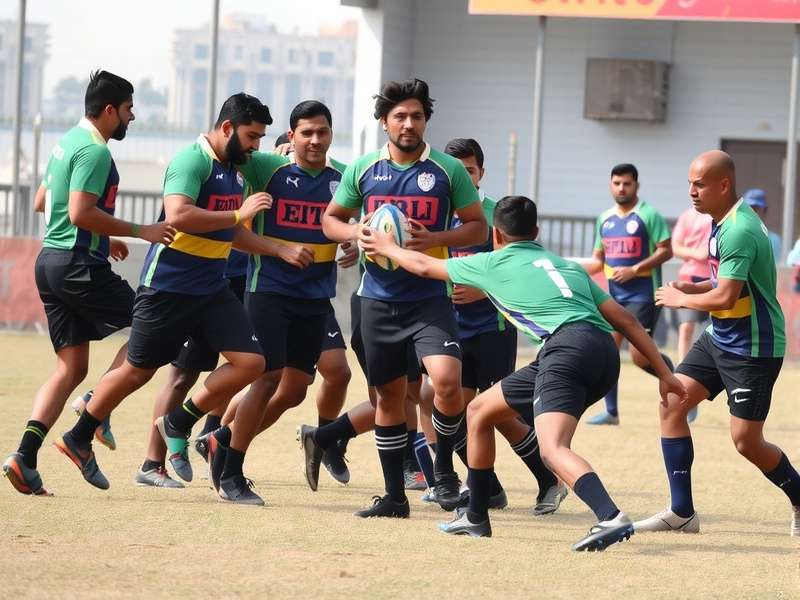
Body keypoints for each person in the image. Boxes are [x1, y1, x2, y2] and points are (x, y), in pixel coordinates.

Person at [359, 195, 685, 551]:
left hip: (565, 350)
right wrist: (665, 373)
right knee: (479, 411)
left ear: (496, 234)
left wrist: (388, 246)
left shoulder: (491, 262)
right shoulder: (568, 267)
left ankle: (609, 516)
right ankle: (476, 517)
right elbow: (625, 319)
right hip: (601, 351)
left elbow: (422, 267)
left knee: (553, 448)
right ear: (537, 231)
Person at [53, 93, 282, 493]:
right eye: (251, 136)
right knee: (137, 371)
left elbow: (231, 232)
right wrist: (237, 214)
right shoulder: (190, 160)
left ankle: (179, 421)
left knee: (252, 363)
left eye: (261, 138)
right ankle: (78, 435)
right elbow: (178, 214)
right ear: (227, 128)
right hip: (168, 288)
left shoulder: (235, 167)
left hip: (212, 289)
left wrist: (279, 248)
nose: (256, 146)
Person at [302, 78, 488, 518]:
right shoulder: (363, 169)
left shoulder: (448, 170)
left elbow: (478, 227)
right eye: (400, 116)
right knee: (388, 398)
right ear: (384, 122)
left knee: (444, 381)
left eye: (417, 116)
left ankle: (443, 471)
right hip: (377, 300)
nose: (409, 124)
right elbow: (331, 220)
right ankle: (393, 497)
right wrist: (355, 232)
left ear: (426, 120)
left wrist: (436, 237)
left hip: (429, 297)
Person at [2, 70, 175, 496]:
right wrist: (139, 230)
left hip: (50, 262)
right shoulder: (96, 152)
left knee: (71, 366)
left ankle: (24, 456)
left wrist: (103, 235)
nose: (132, 118)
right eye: (130, 109)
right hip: (77, 264)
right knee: (154, 329)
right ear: (111, 109)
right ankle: (94, 408)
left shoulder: (66, 143)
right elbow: (79, 213)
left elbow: (46, 202)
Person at [635, 151, 800, 537]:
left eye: (700, 184)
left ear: (723, 185)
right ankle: (682, 513)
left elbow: (726, 297)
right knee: (672, 404)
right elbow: (724, 282)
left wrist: (683, 299)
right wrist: (693, 287)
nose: (691, 192)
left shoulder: (740, 228)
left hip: (753, 348)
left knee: (746, 442)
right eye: (690, 183)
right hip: (719, 338)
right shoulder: (720, 221)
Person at [205, 100, 354, 505]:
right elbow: (224, 156)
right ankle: (232, 472)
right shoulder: (265, 167)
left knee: (297, 388)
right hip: (268, 291)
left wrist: (352, 244)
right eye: (306, 132)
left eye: (322, 132)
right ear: (291, 137)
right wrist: (279, 249)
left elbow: (344, 224)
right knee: (266, 379)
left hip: (315, 298)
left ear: (330, 134)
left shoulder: (342, 178)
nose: (315, 140)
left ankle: (219, 438)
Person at [441, 137, 564, 514]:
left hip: (492, 328)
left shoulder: (496, 215)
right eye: (456, 172)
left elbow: (513, 268)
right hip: (451, 328)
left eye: (471, 171)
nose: (464, 178)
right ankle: (488, 489)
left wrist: (482, 292)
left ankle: (548, 480)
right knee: (453, 410)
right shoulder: (439, 216)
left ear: (481, 173)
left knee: (499, 412)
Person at [584, 163, 674, 425]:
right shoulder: (604, 219)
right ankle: (611, 412)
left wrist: (635, 269)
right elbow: (597, 260)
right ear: (610, 185)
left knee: (639, 356)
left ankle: (683, 387)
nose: (621, 188)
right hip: (614, 297)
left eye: (627, 183)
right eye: (617, 183)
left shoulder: (648, 215)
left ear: (636, 185)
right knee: (608, 352)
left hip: (643, 296)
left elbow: (666, 250)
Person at [670, 206, 712, 424]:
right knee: (686, 328)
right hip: (690, 276)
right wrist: (696, 253)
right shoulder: (687, 215)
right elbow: (675, 246)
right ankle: (683, 375)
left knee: (711, 332)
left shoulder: (722, 215)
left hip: (718, 280)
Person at [743, 189, 781, 262]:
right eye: (747, 208)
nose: (750, 212)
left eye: (755, 208)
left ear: (765, 211)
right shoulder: (736, 236)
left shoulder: (774, 240)